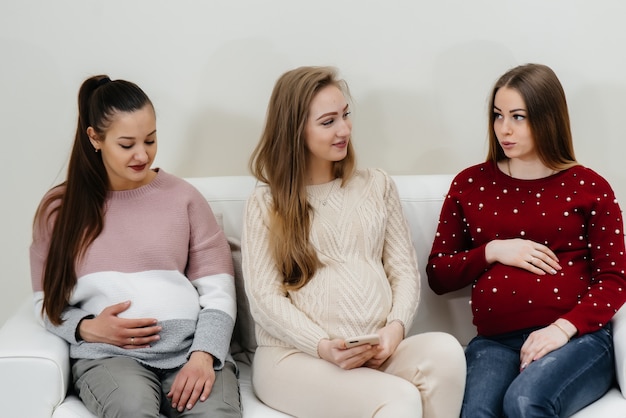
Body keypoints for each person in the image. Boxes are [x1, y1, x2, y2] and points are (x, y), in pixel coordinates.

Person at [241, 66, 466, 418]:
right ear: (295, 129)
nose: (344, 129)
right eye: (328, 121)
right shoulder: (266, 203)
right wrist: (322, 346)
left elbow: (403, 273)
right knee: (400, 398)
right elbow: (264, 300)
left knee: (447, 352)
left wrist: (394, 330)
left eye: (345, 115)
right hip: (295, 359)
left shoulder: (376, 185)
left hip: (374, 350)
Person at [30, 75, 242, 418]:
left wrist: (204, 355)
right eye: (127, 144)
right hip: (110, 358)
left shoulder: (184, 198)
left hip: (190, 351)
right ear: (95, 138)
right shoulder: (59, 210)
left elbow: (219, 291)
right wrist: (85, 328)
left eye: (151, 140)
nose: (142, 154)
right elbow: (44, 301)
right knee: (132, 410)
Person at [427, 63, 626, 417]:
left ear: (547, 118)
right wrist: (492, 251)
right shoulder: (470, 185)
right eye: (498, 115)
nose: (505, 128)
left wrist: (562, 329)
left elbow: (614, 280)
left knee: (523, 401)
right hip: (494, 342)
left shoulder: (589, 186)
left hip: (577, 340)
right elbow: (438, 275)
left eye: (519, 117)